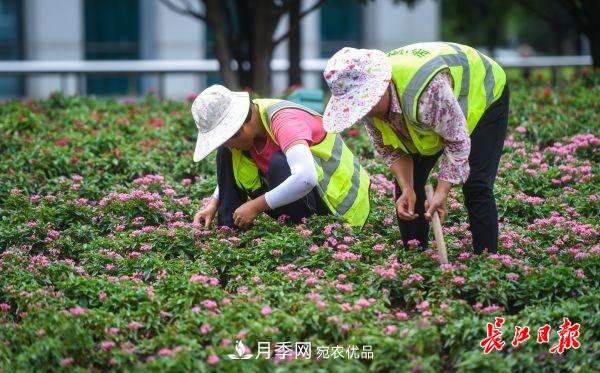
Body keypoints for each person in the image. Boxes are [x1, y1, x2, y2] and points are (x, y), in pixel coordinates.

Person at [322, 42, 509, 254]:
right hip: (431, 111)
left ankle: (487, 262)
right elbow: (391, 150)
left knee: (476, 184)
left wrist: (442, 191)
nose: (365, 111)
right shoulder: (369, 112)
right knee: (407, 189)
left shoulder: (427, 93)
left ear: (382, 85)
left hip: (483, 92)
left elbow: (457, 141)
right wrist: (408, 187)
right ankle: (415, 258)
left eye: (367, 103)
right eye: (358, 106)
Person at [190, 85, 371, 229]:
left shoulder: (284, 120)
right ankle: (229, 230)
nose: (227, 144)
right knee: (226, 152)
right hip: (301, 197)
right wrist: (213, 204)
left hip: (338, 208)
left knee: (279, 161)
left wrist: (255, 206)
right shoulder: (252, 116)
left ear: (240, 129)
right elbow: (234, 166)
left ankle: (302, 232)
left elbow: (306, 178)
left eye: (226, 138)